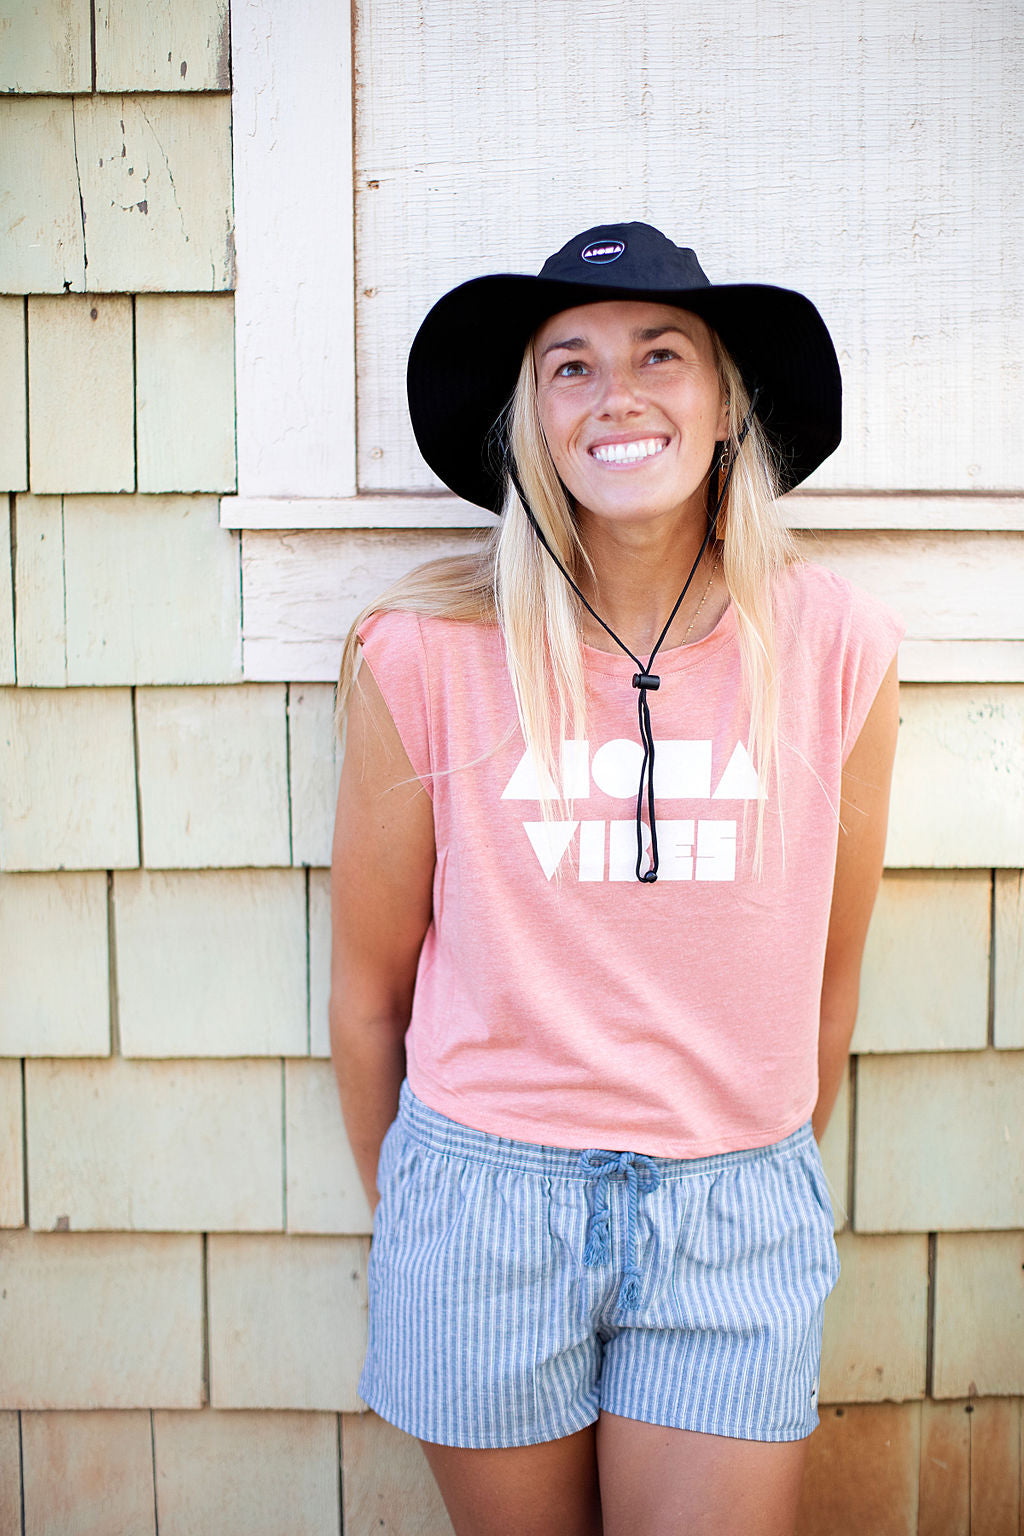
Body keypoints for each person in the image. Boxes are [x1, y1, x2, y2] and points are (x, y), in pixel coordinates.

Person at [329, 222, 903, 1536]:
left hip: (732, 1208)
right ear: (530, 417)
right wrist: (429, 1213)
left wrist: (742, 1169)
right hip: (483, 1205)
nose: (618, 393)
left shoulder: (833, 651)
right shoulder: (421, 658)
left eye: (662, 354)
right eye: (570, 365)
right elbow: (368, 996)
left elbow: (831, 976)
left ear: (725, 403)